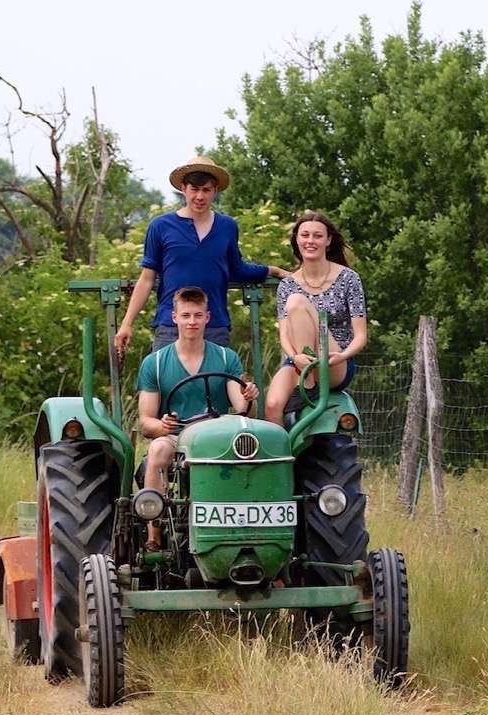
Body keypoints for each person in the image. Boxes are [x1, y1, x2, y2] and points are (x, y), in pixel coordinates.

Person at [115, 155, 289, 355]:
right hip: (171, 325)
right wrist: (127, 323)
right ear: (183, 188)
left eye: (206, 190)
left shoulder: (227, 226)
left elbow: (236, 269)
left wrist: (273, 270)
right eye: (194, 189)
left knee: (215, 385)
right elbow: (146, 279)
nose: (200, 196)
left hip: (214, 325)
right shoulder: (160, 226)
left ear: (215, 190)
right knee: (166, 384)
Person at [137, 287, 259, 548]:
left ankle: (254, 530)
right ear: (174, 318)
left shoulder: (227, 358)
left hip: (218, 437)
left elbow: (243, 410)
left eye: (197, 315)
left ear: (207, 318)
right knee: (157, 449)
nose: (191, 321)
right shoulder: (155, 363)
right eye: (186, 315)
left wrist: (249, 397)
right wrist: (162, 425)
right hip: (176, 437)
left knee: (253, 448)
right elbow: (145, 422)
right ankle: (154, 535)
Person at [265, 211, 367, 425]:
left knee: (297, 302)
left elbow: (360, 336)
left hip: (333, 360)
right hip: (298, 361)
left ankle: (309, 385)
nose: (310, 241)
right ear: (297, 240)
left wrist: (342, 356)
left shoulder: (348, 278)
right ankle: (284, 457)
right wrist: (295, 356)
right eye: (305, 235)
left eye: (317, 236)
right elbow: (284, 334)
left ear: (328, 240)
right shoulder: (287, 284)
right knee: (273, 405)